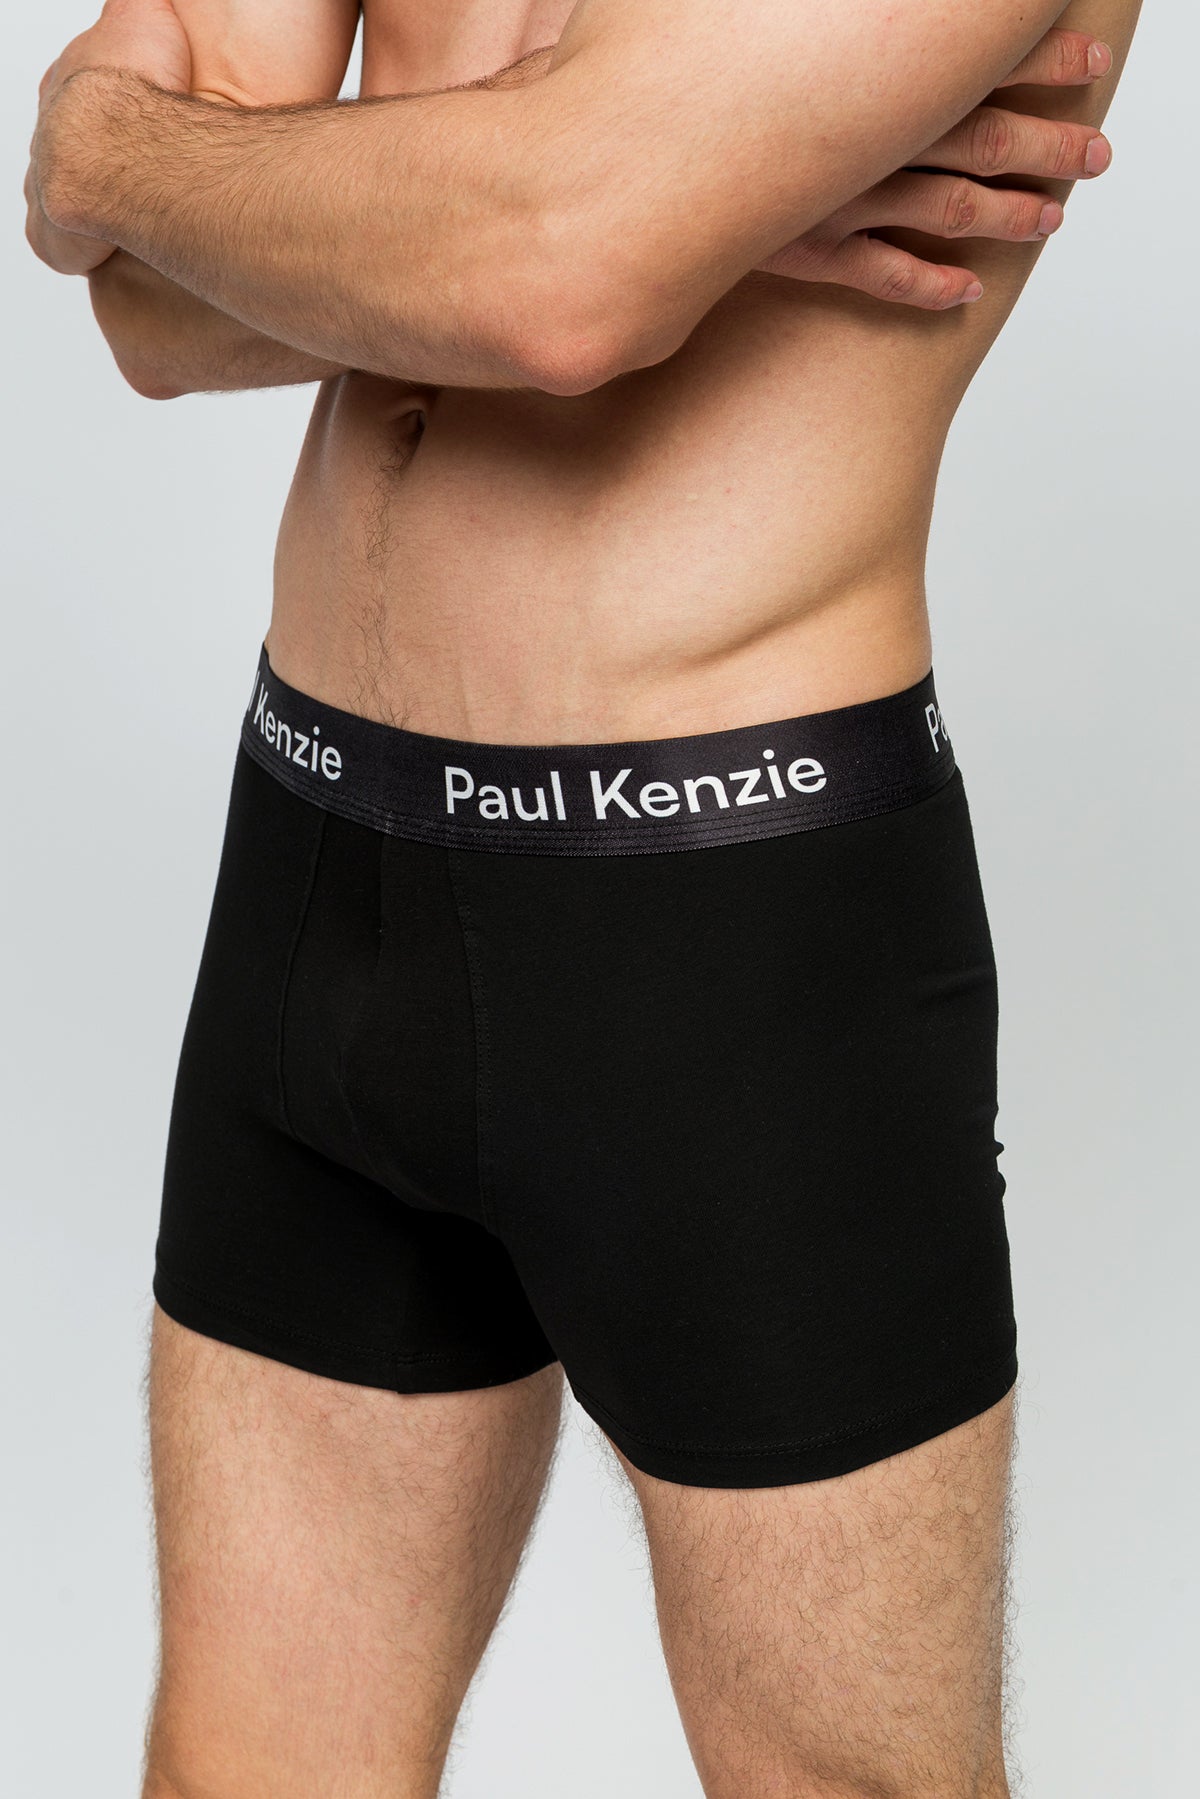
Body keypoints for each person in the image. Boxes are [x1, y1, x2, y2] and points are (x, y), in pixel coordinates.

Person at [25, 1, 1143, 1795]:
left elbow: (557, 276)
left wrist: (150, 161)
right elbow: (148, 311)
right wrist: (541, 204)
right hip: (316, 859)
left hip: (724, 937)